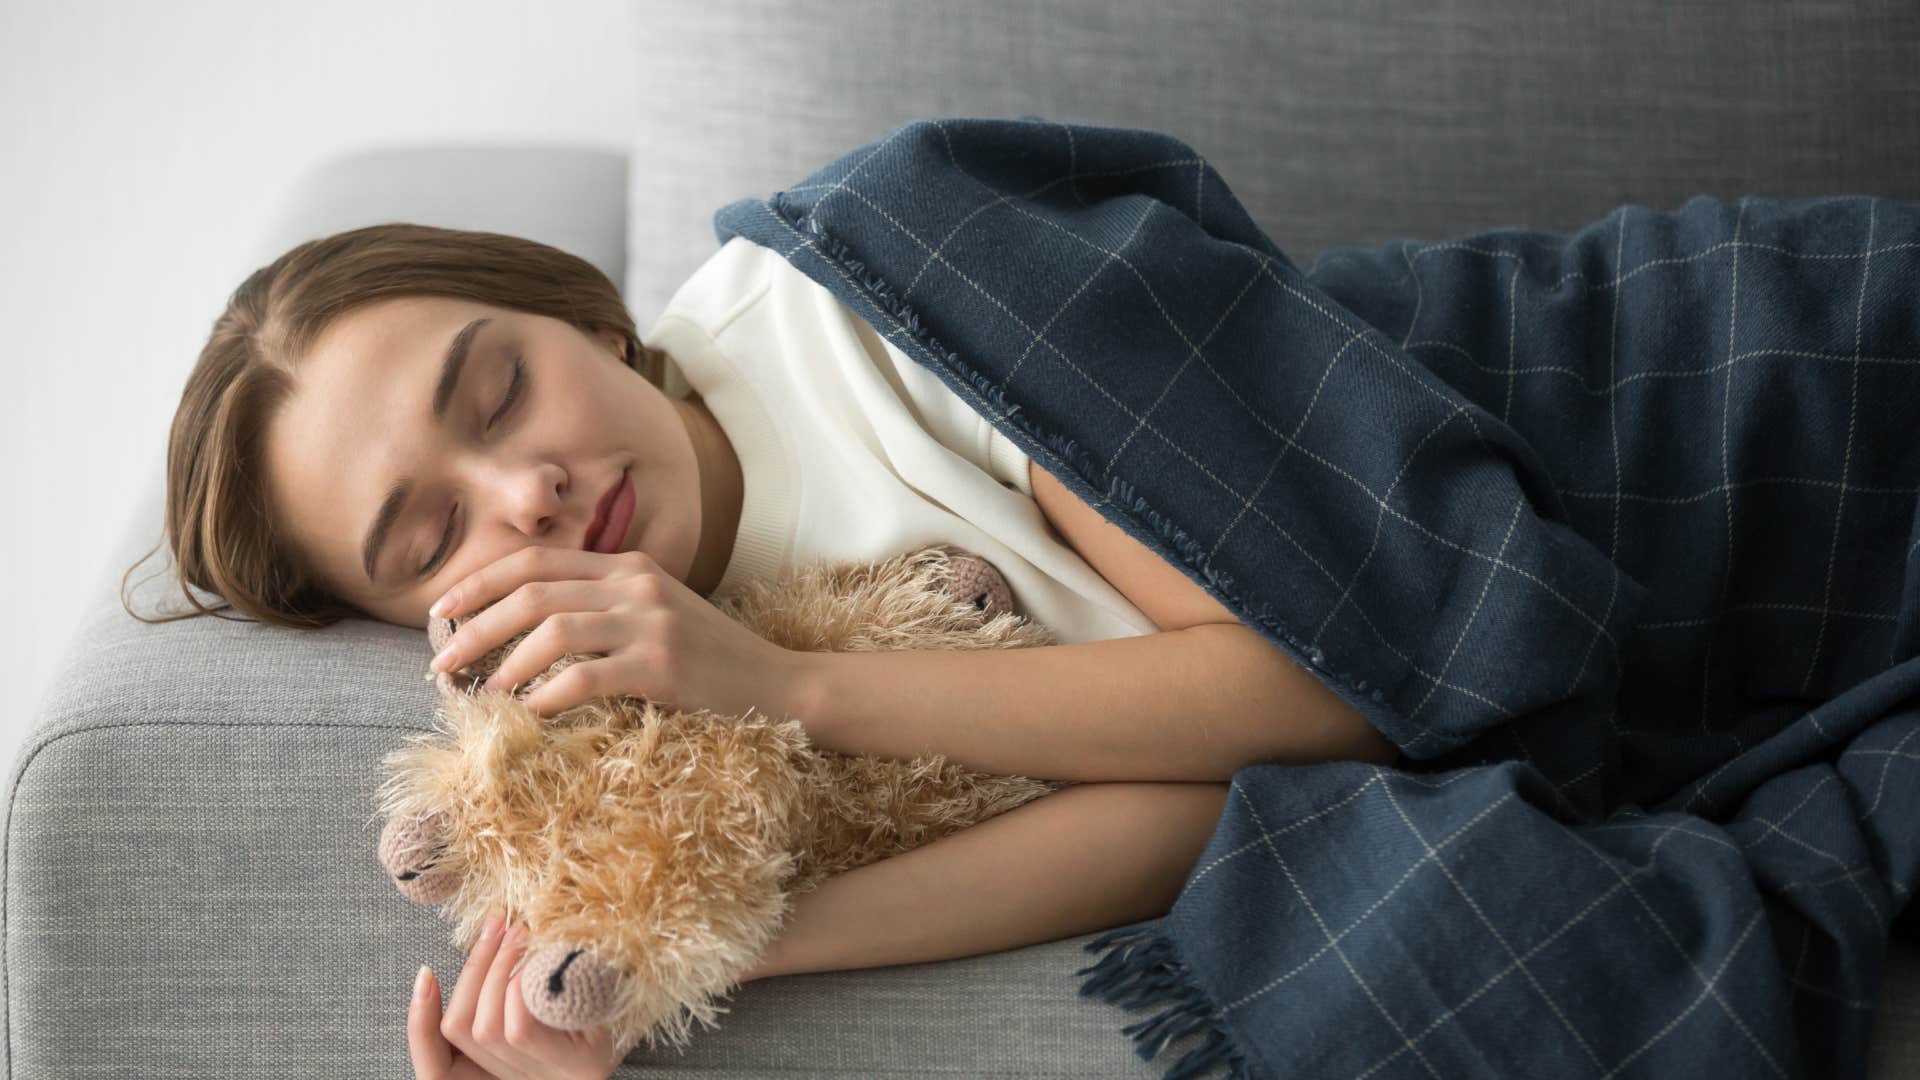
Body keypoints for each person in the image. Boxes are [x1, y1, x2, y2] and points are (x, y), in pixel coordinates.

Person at [131, 223, 1397, 1078]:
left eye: (502, 392)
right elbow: (1214, 808)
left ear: (589, 319)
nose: (526, 493)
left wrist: (788, 684)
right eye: (431, 537)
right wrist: (677, 956)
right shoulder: (617, 725)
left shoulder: (862, 317)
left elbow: (1326, 695)